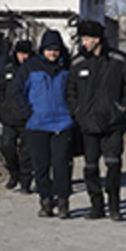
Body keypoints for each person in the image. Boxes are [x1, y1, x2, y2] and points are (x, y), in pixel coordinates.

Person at [66, 19, 126, 221]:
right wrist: (78, 111)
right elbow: (70, 92)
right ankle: (96, 206)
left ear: (97, 39)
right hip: (88, 125)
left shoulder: (119, 59)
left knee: (113, 165)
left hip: (113, 124)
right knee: (90, 168)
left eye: (86, 38)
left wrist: (122, 108)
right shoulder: (77, 62)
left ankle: (114, 206)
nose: (83, 42)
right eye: (81, 38)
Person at [16, 30, 76, 219]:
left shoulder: (67, 66)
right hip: (38, 125)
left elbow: (76, 91)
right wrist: (28, 113)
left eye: (56, 49)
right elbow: (18, 92)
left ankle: (64, 202)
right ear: (42, 50)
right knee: (41, 166)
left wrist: (73, 113)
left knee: (61, 165)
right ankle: (46, 201)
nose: (53, 53)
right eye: (49, 49)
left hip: (63, 123)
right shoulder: (30, 67)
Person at [0, 39, 34, 191]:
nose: (23, 57)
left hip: (28, 119)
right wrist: (2, 107)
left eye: (26, 54)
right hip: (9, 118)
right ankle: (14, 173)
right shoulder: (9, 70)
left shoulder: (34, 71)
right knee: (6, 146)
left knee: (26, 152)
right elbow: (1, 90)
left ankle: (26, 181)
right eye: (21, 53)